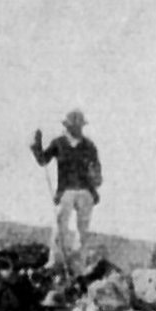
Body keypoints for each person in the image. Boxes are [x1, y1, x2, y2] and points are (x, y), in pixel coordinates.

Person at [30, 109, 101, 276]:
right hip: (66, 191)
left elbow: (97, 171)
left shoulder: (89, 146)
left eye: (78, 126)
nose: (75, 128)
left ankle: (79, 266)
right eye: (72, 125)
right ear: (67, 126)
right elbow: (43, 160)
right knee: (60, 225)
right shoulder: (59, 143)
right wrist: (36, 146)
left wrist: (95, 180)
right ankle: (55, 261)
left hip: (85, 192)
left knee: (82, 231)